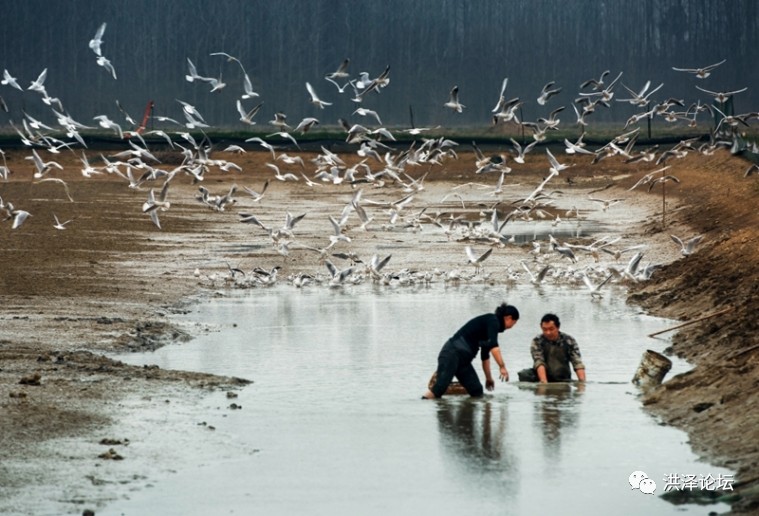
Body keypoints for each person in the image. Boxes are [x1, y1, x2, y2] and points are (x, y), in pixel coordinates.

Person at [422, 303, 520, 399]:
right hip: (452, 353)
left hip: (463, 361)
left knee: (477, 391)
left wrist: (488, 378)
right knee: (439, 388)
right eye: (514, 323)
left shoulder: (490, 329)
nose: (512, 326)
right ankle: (423, 405)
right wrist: (502, 367)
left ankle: (467, 414)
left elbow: (485, 357)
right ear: (508, 318)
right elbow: (494, 347)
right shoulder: (493, 321)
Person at [518, 313, 586, 383]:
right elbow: (539, 362)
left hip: (562, 376)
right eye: (545, 329)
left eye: (551, 329)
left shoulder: (569, 340)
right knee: (524, 374)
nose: (548, 333)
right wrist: (544, 383)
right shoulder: (537, 341)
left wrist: (582, 382)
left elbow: (577, 362)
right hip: (542, 375)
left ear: (558, 327)